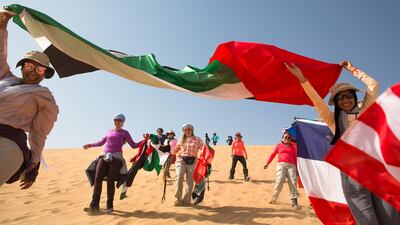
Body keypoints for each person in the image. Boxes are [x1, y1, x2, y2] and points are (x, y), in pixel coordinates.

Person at [286, 61, 399, 224]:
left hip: (377, 174)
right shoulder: (333, 120)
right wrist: (302, 79)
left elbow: (373, 85)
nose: (345, 100)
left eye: (348, 96)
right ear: (336, 102)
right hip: (353, 179)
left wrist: (352, 69)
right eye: (340, 97)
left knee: (391, 221)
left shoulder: (365, 110)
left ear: (354, 97)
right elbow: (317, 101)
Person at [0, 10, 59, 189]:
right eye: (29, 65)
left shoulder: (44, 97)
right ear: (22, 66)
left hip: (8, 144)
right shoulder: (5, 78)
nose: (33, 72)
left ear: (45, 74)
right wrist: (2, 25)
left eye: (40, 70)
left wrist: (34, 166)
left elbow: (39, 133)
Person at [83, 114, 142, 213]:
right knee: (98, 178)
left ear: (123, 122)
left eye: (119, 121)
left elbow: (134, 145)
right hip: (104, 155)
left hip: (116, 158)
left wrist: (145, 141)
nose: (117, 122)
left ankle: (109, 206)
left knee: (110, 180)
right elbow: (101, 142)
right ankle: (94, 206)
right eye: (115, 120)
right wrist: (90, 145)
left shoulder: (125, 133)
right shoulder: (109, 131)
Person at [264, 131, 299, 209]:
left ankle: (294, 201)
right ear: (282, 138)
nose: (287, 139)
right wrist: (267, 163)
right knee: (280, 180)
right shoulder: (278, 145)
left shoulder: (293, 147)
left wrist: (297, 169)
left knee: (293, 182)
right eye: (285, 137)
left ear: (291, 139)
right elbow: (273, 154)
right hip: (281, 165)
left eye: (289, 138)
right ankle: (274, 197)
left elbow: (295, 157)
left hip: (291, 166)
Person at [171, 124, 204, 206]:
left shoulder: (197, 139)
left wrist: (206, 152)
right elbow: (175, 150)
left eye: (189, 129)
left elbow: (203, 148)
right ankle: (178, 198)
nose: (187, 131)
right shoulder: (181, 139)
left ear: (192, 130)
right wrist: (171, 150)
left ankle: (186, 201)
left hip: (193, 161)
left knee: (190, 182)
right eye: (185, 130)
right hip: (181, 159)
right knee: (179, 176)